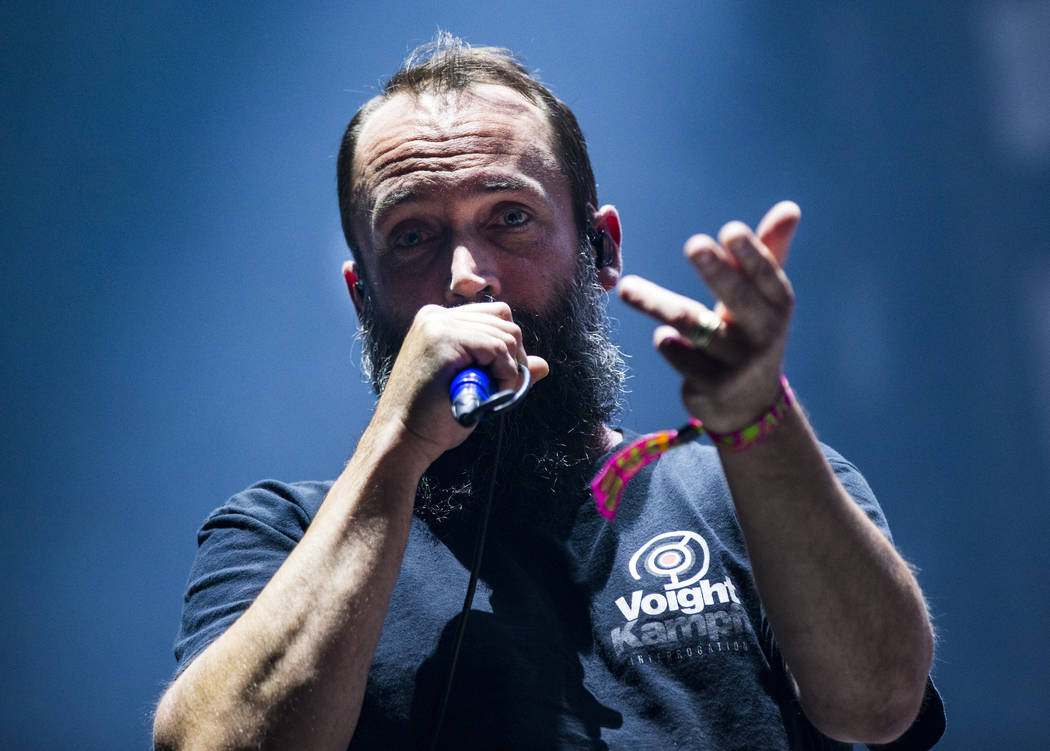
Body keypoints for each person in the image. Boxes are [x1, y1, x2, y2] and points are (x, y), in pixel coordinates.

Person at [153, 34, 944, 750]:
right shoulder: (279, 535)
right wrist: (396, 442)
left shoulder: (746, 486)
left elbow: (877, 704)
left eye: (510, 217)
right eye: (414, 235)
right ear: (364, 299)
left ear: (601, 249)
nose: (468, 278)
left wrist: (760, 421)